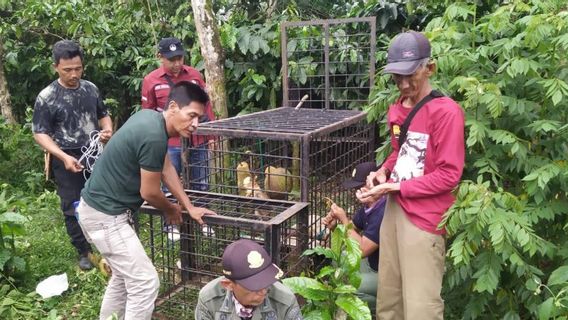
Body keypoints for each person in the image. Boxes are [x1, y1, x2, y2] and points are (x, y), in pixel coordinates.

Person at [77, 82, 216, 320]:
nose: (195, 124)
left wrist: (189, 206)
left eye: (199, 119)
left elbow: (165, 167)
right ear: (173, 107)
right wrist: (171, 209)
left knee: (123, 277)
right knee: (145, 282)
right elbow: (149, 192)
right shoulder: (153, 135)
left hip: (97, 211)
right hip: (105, 216)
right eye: (191, 115)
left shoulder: (150, 119)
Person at [359, 31, 465, 320]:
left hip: (423, 218)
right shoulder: (397, 107)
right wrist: (382, 172)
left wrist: (394, 187)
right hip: (393, 210)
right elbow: (401, 152)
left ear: (429, 68)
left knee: (421, 308)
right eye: (397, 78)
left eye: (411, 75)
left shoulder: (446, 112)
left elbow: (449, 175)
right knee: (389, 300)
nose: (404, 85)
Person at [32, 40, 113, 270]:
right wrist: (63, 156)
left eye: (78, 68)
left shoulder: (90, 89)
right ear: (55, 66)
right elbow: (40, 134)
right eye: (68, 69)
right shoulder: (47, 97)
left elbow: (103, 115)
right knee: (72, 205)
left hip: (94, 152)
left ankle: (106, 244)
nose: (74, 74)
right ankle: (84, 252)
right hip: (65, 155)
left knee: (101, 198)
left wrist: (107, 131)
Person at [141, 37, 216, 240]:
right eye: (171, 59)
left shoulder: (194, 76)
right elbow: (148, 114)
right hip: (169, 143)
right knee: (168, 184)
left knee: (201, 182)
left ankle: (203, 220)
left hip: (197, 139)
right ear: (160, 57)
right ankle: (171, 223)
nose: (176, 63)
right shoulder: (151, 80)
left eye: (180, 58)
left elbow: (205, 107)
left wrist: (211, 135)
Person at [322, 161, 385, 312]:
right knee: (342, 258)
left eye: (359, 187)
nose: (357, 192)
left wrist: (343, 220)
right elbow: (351, 232)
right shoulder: (368, 207)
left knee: (350, 289)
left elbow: (362, 249)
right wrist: (335, 226)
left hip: (385, 274)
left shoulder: (383, 210)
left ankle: (379, 307)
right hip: (372, 264)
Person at [195, 239, 303, 320]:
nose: (263, 291)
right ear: (228, 284)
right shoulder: (209, 300)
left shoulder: (285, 301)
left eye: (265, 281)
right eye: (254, 286)